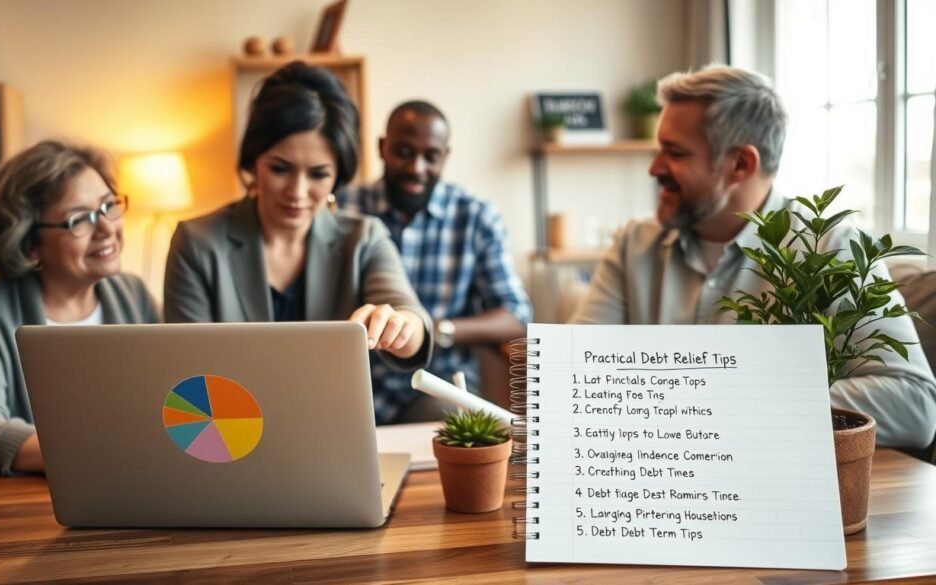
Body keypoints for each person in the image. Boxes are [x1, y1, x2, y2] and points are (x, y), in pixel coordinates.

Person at [570, 64, 936, 449]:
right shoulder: (633, 244)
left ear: (741, 164)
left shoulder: (832, 249)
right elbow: (575, 373)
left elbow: (914, 406)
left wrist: (727, 404)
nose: (654, 167)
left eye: (674, 152)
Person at [163, 62, 432, 422]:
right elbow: (187, 371)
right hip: (226, 428)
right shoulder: (197, 242)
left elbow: (411, 321)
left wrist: (401, 325)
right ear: (254, 160)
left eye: (318, 174)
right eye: (280, 168)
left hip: (332, 427)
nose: (298, 192)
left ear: (338, 176)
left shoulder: (364, 238)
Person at [0, 140, 160, 475]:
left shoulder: (133, 294)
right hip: (18, 497)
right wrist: (94, 454)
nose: (106, 229)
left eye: (108, 205)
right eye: (79, 220)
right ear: (29, 243)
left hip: (130, 483)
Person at [337, 101, 531, 422]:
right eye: (403, 152)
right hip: (358, 382)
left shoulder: (475, 216)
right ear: (382, 148)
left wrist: (441, 330)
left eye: (431, 156)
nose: (416, 168)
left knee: (451, 429)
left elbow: (516, 314)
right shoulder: (346, 207)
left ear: (445, 156)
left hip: (441, 383)